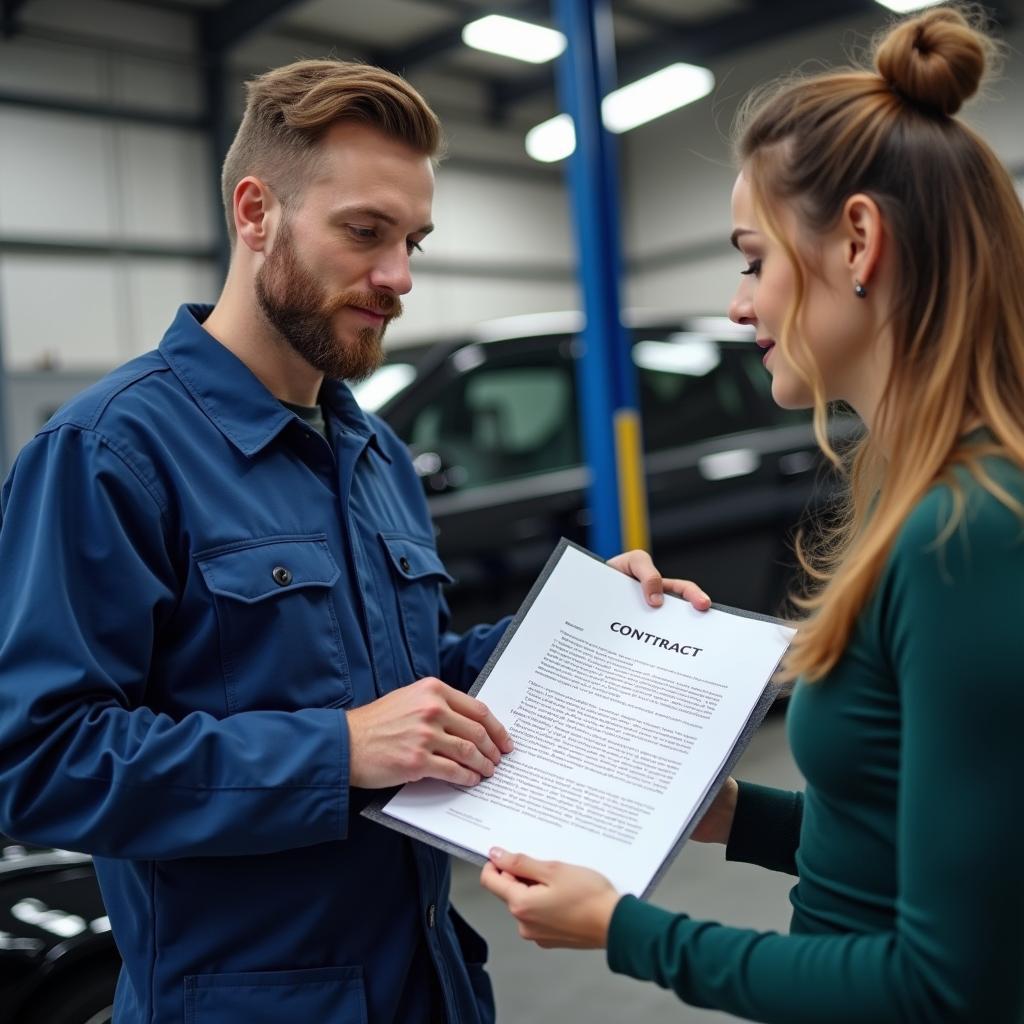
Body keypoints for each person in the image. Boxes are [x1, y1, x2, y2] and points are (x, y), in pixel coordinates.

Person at [0, 60, 711, 1024]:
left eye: (412, 240)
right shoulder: (109, 452)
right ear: (257, 213)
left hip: (429, 986)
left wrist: (586, 636)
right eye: (365, 233)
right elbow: (37, 763)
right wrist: (335, 751)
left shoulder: (372, 450)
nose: (399, 278)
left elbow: (413, 684)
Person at [480, 6, 1024, 1022]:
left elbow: (944, 985)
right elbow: (895, 838)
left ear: (858, 241)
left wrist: (626, 929)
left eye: (749, 257)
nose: (738, 306)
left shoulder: (971, 528)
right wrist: (722, 813)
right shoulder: (925, 494)